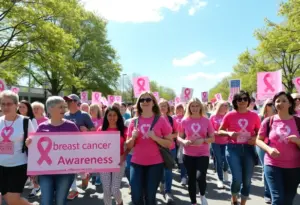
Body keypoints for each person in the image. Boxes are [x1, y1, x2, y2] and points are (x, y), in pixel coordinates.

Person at [26, 96, 78, 205]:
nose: (64, 109)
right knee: (46, 201)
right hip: (45, 171)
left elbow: (80, 146)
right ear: (50, 109)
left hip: (65, 171)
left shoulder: (71, 126)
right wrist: (29, 143)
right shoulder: (42, 127)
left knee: (60, 201)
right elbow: (35, 149)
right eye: (60, 107)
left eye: (64, 107)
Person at [126, 91, 173, 205]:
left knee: (150, 197)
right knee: (136, 197)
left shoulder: (161, 120)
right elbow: (128, 146)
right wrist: (132, 138)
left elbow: (169, 143)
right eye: (142, 100)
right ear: (139, 103)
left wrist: (156, 138)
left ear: (153, 103)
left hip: (155, 164)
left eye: (148, 99)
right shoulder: (133, 121)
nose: (145, 102)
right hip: (136, 163)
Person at [256, 92, 300, 205]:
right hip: (272, 164)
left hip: (294, 166)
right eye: (277, 101)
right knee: (278, 199)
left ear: (290, 104)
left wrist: (297, 141)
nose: (280, 103)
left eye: (284, 101)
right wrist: (269, 149)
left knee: (288, 199)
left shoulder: (298, 122)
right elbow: (258, 140)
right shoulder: (268, 121)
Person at [218, 90, 261, 205]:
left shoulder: (254, 115)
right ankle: (233, 197)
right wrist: (229, 133)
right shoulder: (229, 115)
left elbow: (260, 133)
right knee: (237, 178)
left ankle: (243, 203)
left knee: (247, 180)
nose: (242, 101)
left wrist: (255, 138)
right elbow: (220, 131)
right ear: (235, 102)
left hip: (249, 148)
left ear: (248, 102)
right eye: (239, 99)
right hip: (233, 148)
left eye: (245, 99)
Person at [177, 98, 215, 205]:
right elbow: (179, 137)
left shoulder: (206, 120)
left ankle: (202, 194)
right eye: (192, 106)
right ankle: (193, 201)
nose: (194, 108)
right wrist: (184, 141)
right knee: (192, 179)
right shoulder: (184, 121)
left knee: (200, 176)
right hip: (188, 154)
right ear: (189, 107)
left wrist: (203, 140)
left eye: (196, 106)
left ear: (200, 107)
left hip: (203, 153)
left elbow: (213, 138)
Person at [0, 90, 34, 205]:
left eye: (8, 104)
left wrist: (30, 141)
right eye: (2, 104)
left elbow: (35, 141)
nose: (5, 106)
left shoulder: (25, 121)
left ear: (16, 105)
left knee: (13, 200)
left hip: (19, 165)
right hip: (0, 165)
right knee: (6, 198)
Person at [63, 94, 95, 200]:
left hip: (81, 146)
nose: (68, 103)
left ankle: (85, 175)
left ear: (76, 102)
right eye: (67, 101)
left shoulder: (84, 115)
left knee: (80, 167)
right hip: (67, 147)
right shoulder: (64, 115)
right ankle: (73, 190)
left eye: (70, 101)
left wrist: (86, 130)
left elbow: (94, 130)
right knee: (69, 168)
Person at [98, 106, 129, 205]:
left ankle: (120, 202)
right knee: (106, 189)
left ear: (118, 116)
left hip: (119, 162)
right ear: (106, 116)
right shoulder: (101, 129)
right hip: (104, 162)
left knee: (115, 189)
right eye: (110, 115)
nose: (112, 117)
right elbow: (96, 146)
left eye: (114, 115)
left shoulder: (124, 130)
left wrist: (123, 157)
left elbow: (128, 147)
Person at [17, 100, 40, 198]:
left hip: (29, 148)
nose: (21, 109)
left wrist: (29, 140)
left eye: (23, 107)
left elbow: (34, 135)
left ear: (28, 109)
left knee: (30, 169)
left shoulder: (31, 120)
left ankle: (36, 186)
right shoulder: (15, 119)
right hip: (17, 149)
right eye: (20, 107)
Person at [158, 99, 178, 203]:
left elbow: (177, 133)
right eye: (160, 105)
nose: (162, 107)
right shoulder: (154, 119)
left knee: (168, 170)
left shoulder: (171, 119)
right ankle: (162, 181)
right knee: (160, 170)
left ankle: (168, 192)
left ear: (168, 108)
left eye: (164, 105)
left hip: (170, 149)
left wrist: (169, 136)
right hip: (157, 149)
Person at [256, 98, 276, 204]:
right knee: (266, 168)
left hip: (275, 145)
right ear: (265, 105)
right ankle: (268, 193)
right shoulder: (260, 117)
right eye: (269, 104)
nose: (272, 105)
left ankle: (276, 191)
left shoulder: (279, 116)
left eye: (273, 103)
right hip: (262, 145)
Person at [210, 100, 229, 189]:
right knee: (219, 160)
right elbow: (209, 129)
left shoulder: (228, 116)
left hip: (227, 142)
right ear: (219, 106)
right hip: (215, 142)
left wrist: (228, 133)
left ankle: (225, 170)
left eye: (226, 105)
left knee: (226, 159)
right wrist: (217, 133)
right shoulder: (213, 116)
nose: (225, 107)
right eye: (223, 105)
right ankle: (220, 179)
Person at [173, 103, 187, 185]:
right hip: (173, 140)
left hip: (183, 140)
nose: (179, 109)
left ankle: (183, 176)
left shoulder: (186, 117)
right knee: (176, 158)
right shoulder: (173, 118)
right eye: (178, 108)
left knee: (182, 160)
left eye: (181, 108)